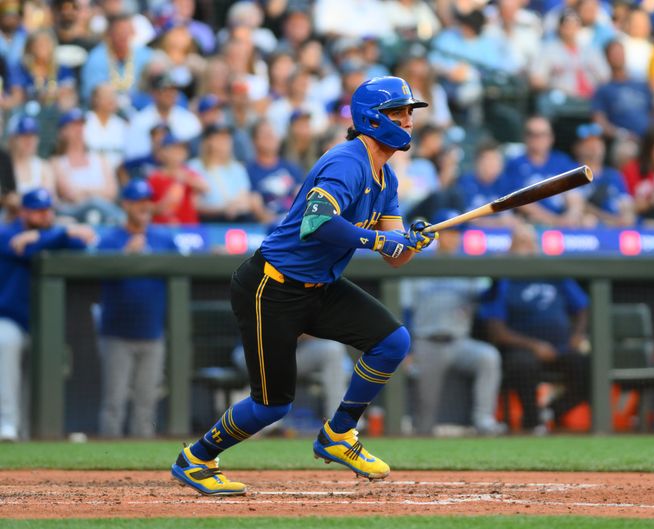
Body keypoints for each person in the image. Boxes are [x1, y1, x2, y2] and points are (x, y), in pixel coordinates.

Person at [170, 76, 437, 494]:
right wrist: (380, 239)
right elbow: (318, 222)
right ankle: (197, 459)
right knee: (271, 405)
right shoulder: (347, 162)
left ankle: (338, 434)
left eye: (409, 113)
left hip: (320, 286)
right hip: (271, 285)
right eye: (397, 113)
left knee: (392, 342)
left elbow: (395, 256)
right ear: (371, 119)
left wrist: (415, 242)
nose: (407, 121)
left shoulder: (387, 179)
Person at [0, 188, 95, 441]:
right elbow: (24, 249)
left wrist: (50, 234)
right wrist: (62, 231)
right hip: (11, 319)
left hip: (47, 324)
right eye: (38, 211)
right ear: (24, 211)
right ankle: (7, 423)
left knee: (45, 371)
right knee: (4, 341)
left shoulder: (53, 234)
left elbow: (81, 242)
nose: (44, 215)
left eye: (48, 210)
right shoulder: (6, 232)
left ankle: (35, 431)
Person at [478, 225, 591, 433]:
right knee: (523, 365)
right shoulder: (504, 280)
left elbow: (583, 307)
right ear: (510, 248)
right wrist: (534, 346)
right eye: (521, 242)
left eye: (530, 242)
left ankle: (551, 412)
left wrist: (577, 335)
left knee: (589, 366)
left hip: (561, 346)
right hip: (521, 348)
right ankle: (532, 421)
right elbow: (496, 329)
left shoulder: (552, 272)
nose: (526, 248)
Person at [404, 209, 504, 436]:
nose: (454, 237)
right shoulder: (418, 264)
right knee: (425, 420)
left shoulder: (466, 266)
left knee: (488, 357)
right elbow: (405, 310)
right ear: (438, 234)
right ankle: (422, 442)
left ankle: (483, 420)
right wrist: (408, 349)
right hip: (426, 343)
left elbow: (486, 297)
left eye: (457, 233)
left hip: (460, 343)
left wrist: (498, 275)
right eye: (449, 232)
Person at [95, 180, 177, 438]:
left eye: (147, 201)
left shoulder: (163, 239)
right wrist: (124, 254)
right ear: (126, 204)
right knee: (113, 402)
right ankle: (105, 462)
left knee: (146, 404)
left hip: (153, 331)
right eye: (138, 201)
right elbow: (96, 270)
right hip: (117, 332)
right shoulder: (110, 240)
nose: (144, 206)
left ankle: (141, 473)